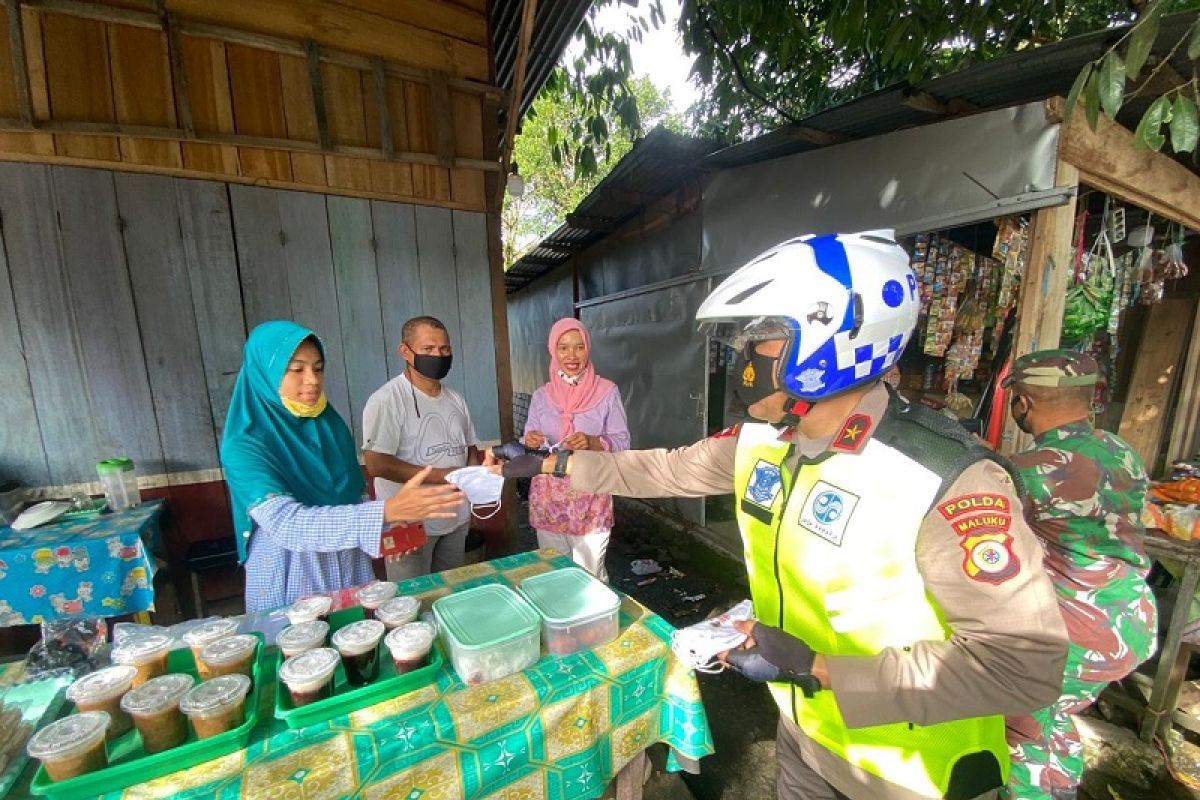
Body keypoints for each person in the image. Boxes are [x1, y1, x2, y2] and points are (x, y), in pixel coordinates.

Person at [497, 232, 1069, 800]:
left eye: (762, 340)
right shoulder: (766, 441)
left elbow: (1022, 666)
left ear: (835, 345)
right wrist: (552, 462)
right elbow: (663, 471)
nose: (743, 359)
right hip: (803, 738)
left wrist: (819, 669)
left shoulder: (943, 477)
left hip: (908, 775)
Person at [220, 320, 464, 613]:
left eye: (318, 368)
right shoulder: (246, 444)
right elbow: (287, 524)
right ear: (264, 374)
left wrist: (392, 524)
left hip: (350, 570)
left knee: (360, 645)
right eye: (296, 370)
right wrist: (386, 511)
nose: (311, 380)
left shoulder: (330, 427)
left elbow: (351, 496)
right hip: (293, 579)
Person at [1002, 350, 1158, 800]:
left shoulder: (1029, 471)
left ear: (1024, 403)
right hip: (1130, 617)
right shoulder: (1120, 449)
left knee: (1019, 737)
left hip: (1072, 635)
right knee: (1055, 719)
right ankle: (1064, 788)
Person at [363, 316, 481, 581]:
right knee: (414, 600)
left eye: (445, 349)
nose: (438, 355)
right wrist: (441, 475)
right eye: (428, 349)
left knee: (450, 594)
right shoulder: (386, 399)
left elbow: (470, 447)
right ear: (405, 350)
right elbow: (376, 464)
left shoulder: (456, 399)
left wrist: (472, 479)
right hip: (410, 523)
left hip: (455, 518)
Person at [522, 318, 630, 580]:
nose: (571, 355)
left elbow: (624, 442)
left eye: (579, 347)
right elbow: (528, 438)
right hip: (549, 499)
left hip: (590, 498)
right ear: (553, 351)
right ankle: (561, 621)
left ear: (588, 349)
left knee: (589, 575)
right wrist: (531, 440)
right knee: (554, 572)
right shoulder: (541, 395)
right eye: (563, 348)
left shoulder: (606, 392)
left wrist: (594, 442)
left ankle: (596, 622)